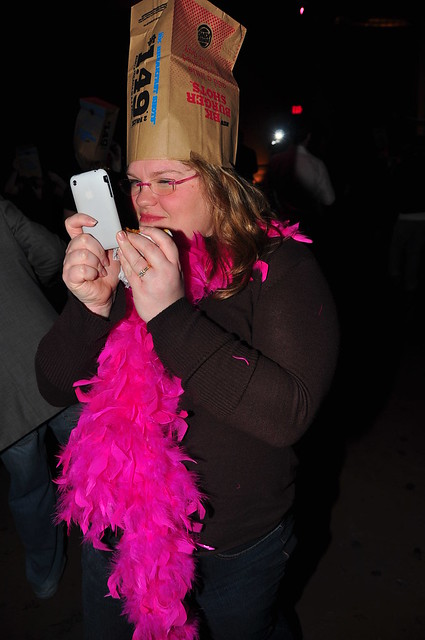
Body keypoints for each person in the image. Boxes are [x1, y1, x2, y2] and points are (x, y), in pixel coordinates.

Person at [35, 3, 339, 638]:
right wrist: (89, 306)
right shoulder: (130, 257)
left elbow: (288, 414)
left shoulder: (279, 266)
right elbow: (53, 385)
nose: (145, 200)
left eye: (167, 179)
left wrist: (171, 315)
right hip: (119, 538)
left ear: (221, 182)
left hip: (235, 551)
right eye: (136, 182)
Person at [0, 195, 81, 599]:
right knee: (101, 466)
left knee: (30, 490)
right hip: (50, 358)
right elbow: (51, 254)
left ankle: (44, 577)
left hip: (4, 400)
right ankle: (125, 560)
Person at [265, 113, 336, 242]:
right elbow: (329, 199)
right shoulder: (316, 164)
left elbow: (268, 192)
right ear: (308, 136)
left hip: (282, 225)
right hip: (309, 226)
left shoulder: (276, 161)